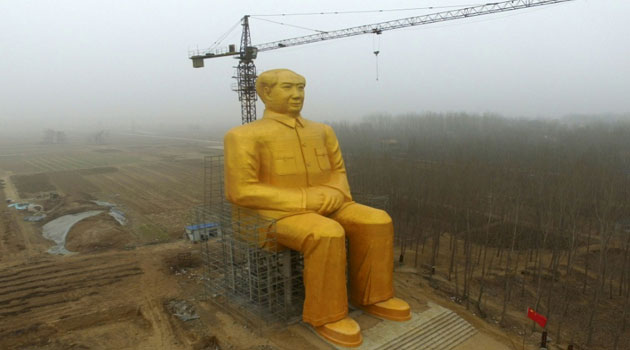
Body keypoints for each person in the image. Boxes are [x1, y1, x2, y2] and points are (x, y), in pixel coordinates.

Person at [224, 68, 410, 347]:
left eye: (301, 87)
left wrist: (336, 192)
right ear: (265, 93)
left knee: (377, 221)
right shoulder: (243, 137)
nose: (297, 94)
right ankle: (327, 315)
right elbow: (241, 191)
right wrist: (304, 199)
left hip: (329, 204)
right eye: (288, 87)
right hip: (272, 216)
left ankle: (375, 296)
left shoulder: (322, 131)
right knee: (326, 233)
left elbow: (339, 173)